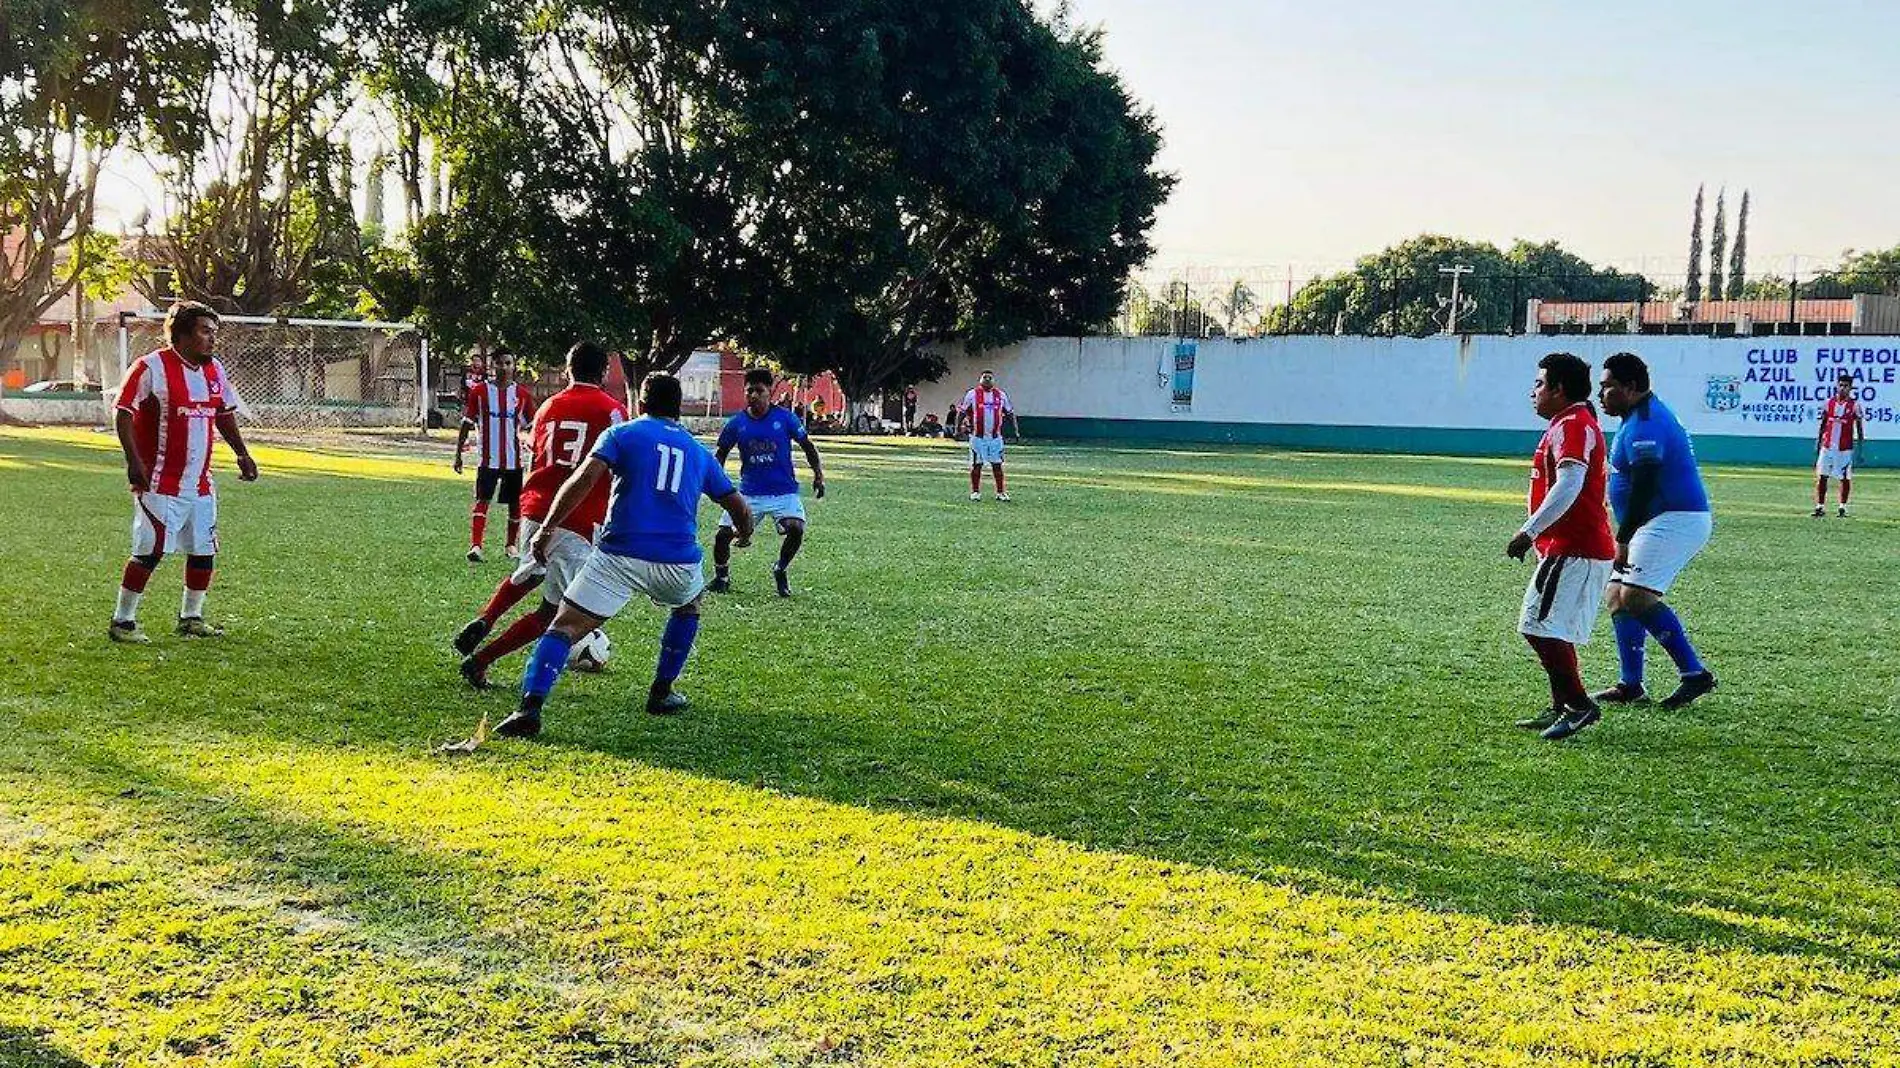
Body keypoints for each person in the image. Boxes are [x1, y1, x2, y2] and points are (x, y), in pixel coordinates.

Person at [491, 373, 753, 738]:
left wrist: (547, 529)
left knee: (564, 627)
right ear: (678, 408)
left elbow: (581, 481)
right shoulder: (697, 451)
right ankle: (662, 692)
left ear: (641, 403)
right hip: (676, 562)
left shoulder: (622, 434)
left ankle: (529, 708)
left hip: (618, 556)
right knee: (690, 603)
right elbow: (737, 505)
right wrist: (745, 532)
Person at [454, 342, 629, 687]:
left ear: (568, 370)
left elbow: (536, 454)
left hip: (536, 504)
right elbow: (620, 465)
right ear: (604, 373)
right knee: (552, 612)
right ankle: (481, 661)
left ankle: (487, 618)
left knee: (531, 571)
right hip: (578, 516)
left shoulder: (549, 405)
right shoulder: (613, 411)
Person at [107, 300, 260, 643]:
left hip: (200, 483)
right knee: (151, 550)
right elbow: (123, 413)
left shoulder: (214, 370)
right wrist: (134, 462)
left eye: (214, 333)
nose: (211, 340)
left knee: (204, 550)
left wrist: (242, 454)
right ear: (181, 334)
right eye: (205, 332)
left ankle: (191, 617)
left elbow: (223, 414)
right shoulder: (150, 367)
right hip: (160, 480)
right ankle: (123, 621)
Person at [1594, 351, 1718, 711]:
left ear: (1630, 388)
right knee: (1616, 595)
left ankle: (1695, 675)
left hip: (1675, 519)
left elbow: (1645, 486)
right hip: (1660, 520)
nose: (1602, 395)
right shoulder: (1637, 416)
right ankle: (1631, 685)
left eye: (1608, 388)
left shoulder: (1646, 424)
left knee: (1635, 596)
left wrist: (1623, 537)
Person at [1506, 353, 1616, 741]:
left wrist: (1529, 531)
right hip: (1569, 548)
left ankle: (1579, 705)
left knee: (1537, 626)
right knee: (1549, 627)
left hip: (1575, 548)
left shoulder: (1572, 425)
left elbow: (1569, 485)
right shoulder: (1570, 423)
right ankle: (1560, 705)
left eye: (1539, 384)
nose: (1533, 392)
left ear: (1558, 389)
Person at [710, 367, 827, 598]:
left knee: (796, 528)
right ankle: (722, 577)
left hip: (783, 492)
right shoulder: (737, 423)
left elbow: (808, 446)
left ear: (769, 392)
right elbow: (721, 453)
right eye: (749, 391)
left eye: (758, 391)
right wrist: (716, 482)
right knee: (723, 535)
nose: (753, 395)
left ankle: (780, 568)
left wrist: (818, 474)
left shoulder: (785, 418)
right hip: (749, 494)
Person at [454, 349, 535, 563]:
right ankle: (476, 545)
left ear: (514, 366)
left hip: (513, 460)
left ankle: (511, 545)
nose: (504, 367)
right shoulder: (480, 392)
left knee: (515, 503)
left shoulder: (522, 395)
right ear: (493, 366)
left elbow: (532, 427)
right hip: (487, 459)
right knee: (483, 500)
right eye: (500, 363)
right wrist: (458, 454)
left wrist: (535, 450)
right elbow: (467, 424)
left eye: (508, 363)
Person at [960, 369, 1020, 501]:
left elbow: (1010, 414)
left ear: (994, 380)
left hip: (995, 438)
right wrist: (958, 429)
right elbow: (962, 412)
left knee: (997, 465)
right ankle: (975, 492)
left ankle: (1000, 492)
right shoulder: (972, 394)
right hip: (978, 437)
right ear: (980, 379)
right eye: (985, 377)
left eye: (990, 378)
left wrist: (1016, 431)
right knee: (977, 465)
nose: (987, 380)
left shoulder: (1001, 395)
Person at [1814, 373, 1864, 518]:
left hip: (1845, 449)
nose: (1842, 388)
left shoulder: (1854, 405)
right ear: (1837, 386)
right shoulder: (1828, 403)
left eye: (1846, 386)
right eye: (1840, 385)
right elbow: (1823, 424)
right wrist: (1817, 442)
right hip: (1827, 446)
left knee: (1844, 477)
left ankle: (1842, 507)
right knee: (1822, 476)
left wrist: (1860, 448)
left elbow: (1859, 428)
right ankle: (1820, 506)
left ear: (1850, 388)